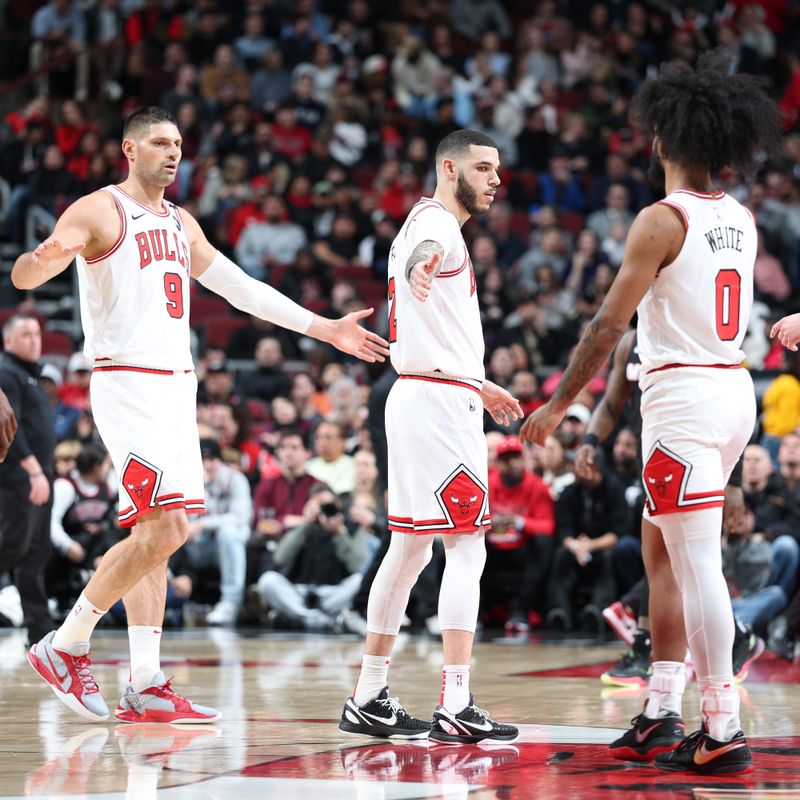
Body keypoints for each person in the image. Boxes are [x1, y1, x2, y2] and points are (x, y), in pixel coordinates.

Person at [13, 105, 389, 724]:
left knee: (153, 539)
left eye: (179, 143)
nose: (173, 152)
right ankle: (66, 642)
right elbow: (30, 274)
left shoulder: (180, 221)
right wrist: (44, 256)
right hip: (127, 383)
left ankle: (145, 681)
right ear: (129, 150)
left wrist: (323, 329)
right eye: (160, 142)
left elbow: (241, 287)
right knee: (168, 530)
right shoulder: (99, 209)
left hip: (175, 388)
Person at [520, 53, 780, 774]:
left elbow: (607, 326)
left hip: (685, 402)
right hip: (730, 393)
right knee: (661, 550)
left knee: (697, 564)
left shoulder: (661, 220)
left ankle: (721, 724)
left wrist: (561, 403)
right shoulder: (741, 217)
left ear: (661, 139)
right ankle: (662, 708)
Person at [338, 129, 522, 745]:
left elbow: (435, 323)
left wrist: (480, 382)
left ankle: (368, 694)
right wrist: (422, 267)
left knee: (411, 549)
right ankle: (456, 701)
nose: (496, 178)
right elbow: (426, 253)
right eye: (483, 167)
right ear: (449, 167)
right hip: (439, 407)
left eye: (498, 169)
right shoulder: (437, 225)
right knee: (467, 548)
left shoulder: (429, 220)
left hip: (425, 393)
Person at [0, 315, 55, 647]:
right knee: (13, 547)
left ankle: (41, 631)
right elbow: (8, 426)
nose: (34, 339)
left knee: (35, 553)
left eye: (37, 333)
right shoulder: (6, 372)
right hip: (19, 476)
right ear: (8, 342)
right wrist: (33, 470)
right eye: (25, 334)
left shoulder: (30, 375)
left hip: (39, 475)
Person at [183, 438, 252, 626]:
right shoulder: (191, 480)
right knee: (173, 535)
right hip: (202, 547)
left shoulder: (235, 479)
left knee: (228, 533)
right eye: (202, 460)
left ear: (220, 460)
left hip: (232, 545)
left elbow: (240, 518)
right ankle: (173, 599)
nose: (207, 465)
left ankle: (231, 603)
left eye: (212, 459)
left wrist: (204, 523)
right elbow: (186, 521)